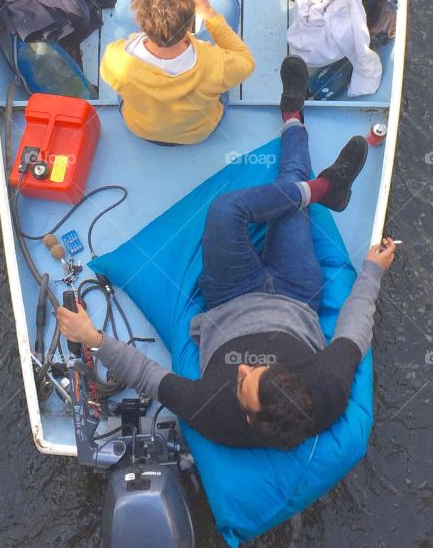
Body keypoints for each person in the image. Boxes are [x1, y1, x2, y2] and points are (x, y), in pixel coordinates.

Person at [58, 56, 397, 450]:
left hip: (228, 297)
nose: (246, 365)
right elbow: (352, 331)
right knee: (291, 193)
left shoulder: (214, 415)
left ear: (250, 417)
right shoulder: (326, 390)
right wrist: (373, 269)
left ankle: (319, 183)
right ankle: (298, 130)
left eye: (243, 381)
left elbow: (147, 375)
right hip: (297, 294)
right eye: (258, 369)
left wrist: (92, 338)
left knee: (225, 210)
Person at [100, 0, 254, 145]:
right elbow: (246, 61)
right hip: (197, 131)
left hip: (142, 129)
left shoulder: (116, 58)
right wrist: (209, 12)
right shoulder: (214, 62)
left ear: (142, 20)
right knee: (226, 2)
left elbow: (111, 77)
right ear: (189, 27)